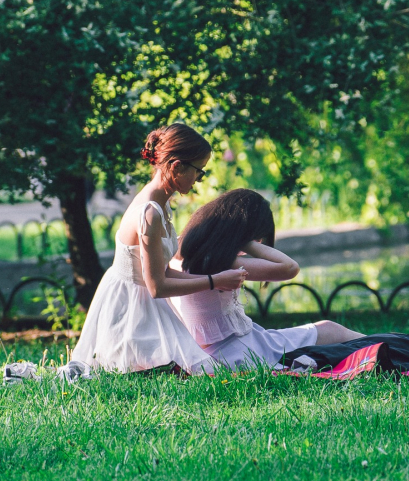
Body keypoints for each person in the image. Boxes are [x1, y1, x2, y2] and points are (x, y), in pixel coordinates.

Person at [71, 124, 247, 374]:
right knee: (200, 370)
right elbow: (156, 286)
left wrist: (215, 280)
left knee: (206, 369)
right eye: (199, 171)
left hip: (145, 303)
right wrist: (213, 280)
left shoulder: (161, 206)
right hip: (129, 310)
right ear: (176, 166)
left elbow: (161, 270)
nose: (199, 179)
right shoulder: (149, 213)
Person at [170, 189, 370, 369]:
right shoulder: (220, 262)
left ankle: (390, 343)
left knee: (328, 329)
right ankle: (391, 346)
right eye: (256, 237)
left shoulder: (179, 250)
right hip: (238, 352)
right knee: (329, 331)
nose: (258, 243)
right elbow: (290, 268)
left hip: (226, 348)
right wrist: (243, 240)